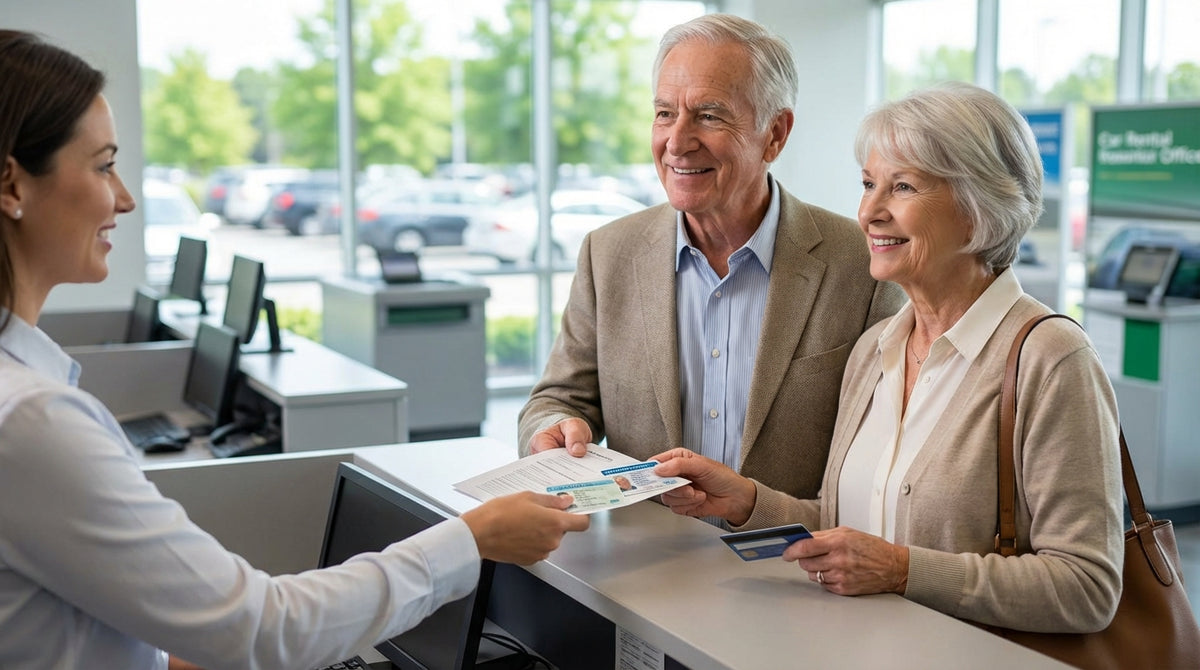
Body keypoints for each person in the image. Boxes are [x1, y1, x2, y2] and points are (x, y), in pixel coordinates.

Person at [0, 30, 588, 670]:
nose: (125, 197)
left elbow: (57, 627)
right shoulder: (32, 422)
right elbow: (261, 629)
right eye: (103, 164)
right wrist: (471, 541)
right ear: (12, 185)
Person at [651, 82, 1125, 633]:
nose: (869, 213)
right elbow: (843, 523)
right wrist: (746, 501)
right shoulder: (875, 350)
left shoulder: (1052, 358)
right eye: (868, 184)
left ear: (980, 208)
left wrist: (902, 571)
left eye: (901, 187)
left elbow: (1087, 588)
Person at [517, 14, 905, 504]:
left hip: (793, 566)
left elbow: (886, 459)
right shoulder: (607, 253)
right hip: (641, 562)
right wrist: (553, 428)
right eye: (664, 113)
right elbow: (557, 398)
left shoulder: (861, 263)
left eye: (708, 115)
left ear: (776, 134)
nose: (677, 142)